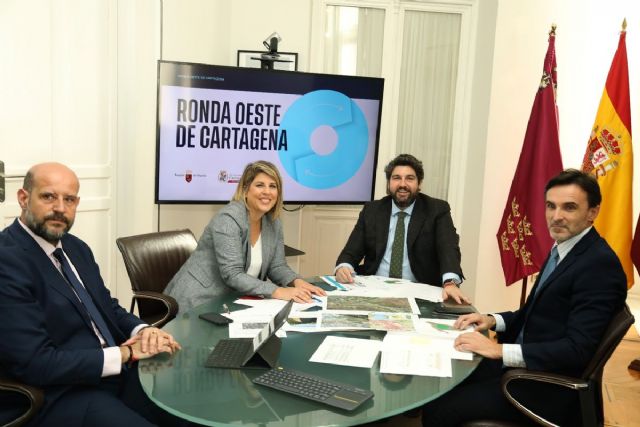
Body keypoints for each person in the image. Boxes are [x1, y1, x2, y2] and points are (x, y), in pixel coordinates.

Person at [421, 169, 627, 426]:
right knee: (442, 376)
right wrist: (491, 320)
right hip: (524, 365)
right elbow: (535, 313)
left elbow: (577, 350)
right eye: (550, 206)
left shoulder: (598, 265)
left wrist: (498, 350)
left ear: (592, 212)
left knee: (439, 408)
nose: (556, 216)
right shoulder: (565, 248)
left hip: (543, 386)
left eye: (569, 207)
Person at [0, 162, 182, 427]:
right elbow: (37, 364)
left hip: (112, 374)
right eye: (48, 196)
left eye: (69, 199)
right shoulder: (7, 260)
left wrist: (143, 331)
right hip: (60, 393)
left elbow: (107, 307)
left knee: (188, 408)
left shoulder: (76, 248)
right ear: (23, 198)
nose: (60, 208)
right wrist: (125, 354)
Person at [165, 160, 325, 313]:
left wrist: (297, 282)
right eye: (260, 185)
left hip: (232, 303)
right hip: (198, 302)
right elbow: (232, 274)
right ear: (245, 189)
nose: (267, 192)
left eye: (273, 186)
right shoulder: (228, 219)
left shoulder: (273, 222)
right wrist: (278, 291)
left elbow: (277, 267)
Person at [335, 153, 469, 303]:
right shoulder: (372, 210)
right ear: (389, 183)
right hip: (375, 288)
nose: (402, 184)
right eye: (396, 178)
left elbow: (448, 248)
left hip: (419, 290)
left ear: (419, 183)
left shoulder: (437, 209)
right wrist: (343, 267)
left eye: (409, 178)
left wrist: (450, 282)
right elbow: (351, 251)